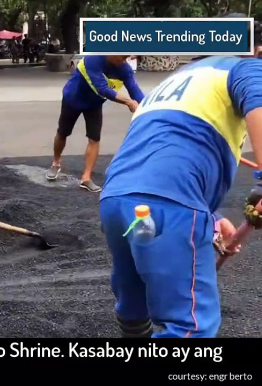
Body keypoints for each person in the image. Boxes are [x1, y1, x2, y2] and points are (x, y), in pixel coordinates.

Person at [99, 15, 262, 338]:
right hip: (167, 206)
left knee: (135, 304)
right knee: (191, 327)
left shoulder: (175, 81)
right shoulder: (245, 68)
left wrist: (210, 217)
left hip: (119, 201)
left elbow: (164, 149)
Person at [46, 55, 144, 192]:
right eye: (121, 57)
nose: (123, 61)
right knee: (63, 132)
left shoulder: (124, 69)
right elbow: (102, 89)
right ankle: (56, 163)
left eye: (126, 58)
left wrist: (148, 106)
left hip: (94, 104)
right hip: (73, 99)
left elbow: (135, 91)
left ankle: (86, 178)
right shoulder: (93, 59)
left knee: (94, 138)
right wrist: (128, 102)